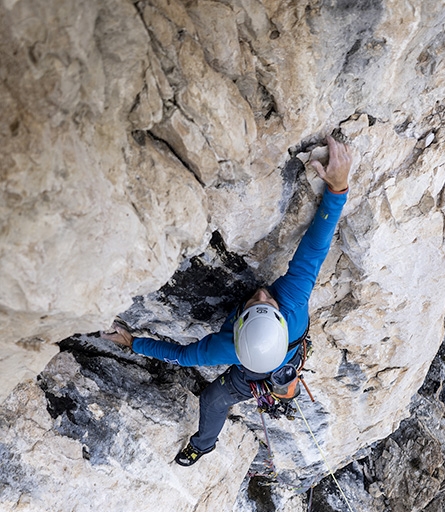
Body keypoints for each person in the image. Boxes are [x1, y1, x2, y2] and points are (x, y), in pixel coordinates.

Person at [103, 135, 352, 466]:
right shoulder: (280, 309)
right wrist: (337, 189)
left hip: (260, 370)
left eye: (259, 305)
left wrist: (133, 344)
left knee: (214, 399)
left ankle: (205, 442)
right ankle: (216, 436)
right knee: (215, 398)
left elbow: (182, 356)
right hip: (276, 355)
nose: (263, 294)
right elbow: (314, 250)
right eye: (264, 305)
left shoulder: (241, 338)